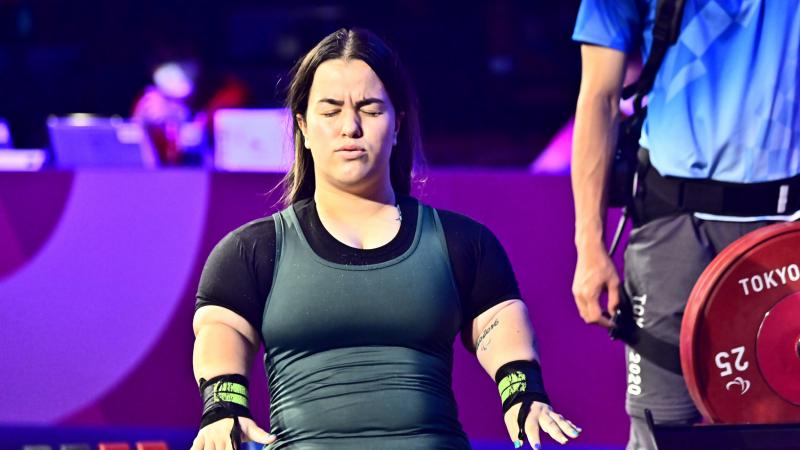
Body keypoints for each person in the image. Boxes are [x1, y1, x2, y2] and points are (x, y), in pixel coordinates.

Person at [191, 28, 581, 450]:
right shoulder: (251, 252)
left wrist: (522, 394)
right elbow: (221, 326)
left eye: (370, 109)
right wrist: (223, 407)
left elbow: (499, 318)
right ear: (302, 125)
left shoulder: (462, 244)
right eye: (331, 110)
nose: (350, 127)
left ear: (398, 124)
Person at [570, 1, 800, 449]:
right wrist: (589, 244)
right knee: (661, 427)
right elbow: (598, 97)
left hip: (787, 229)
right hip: (672, 230)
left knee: (785, 424)